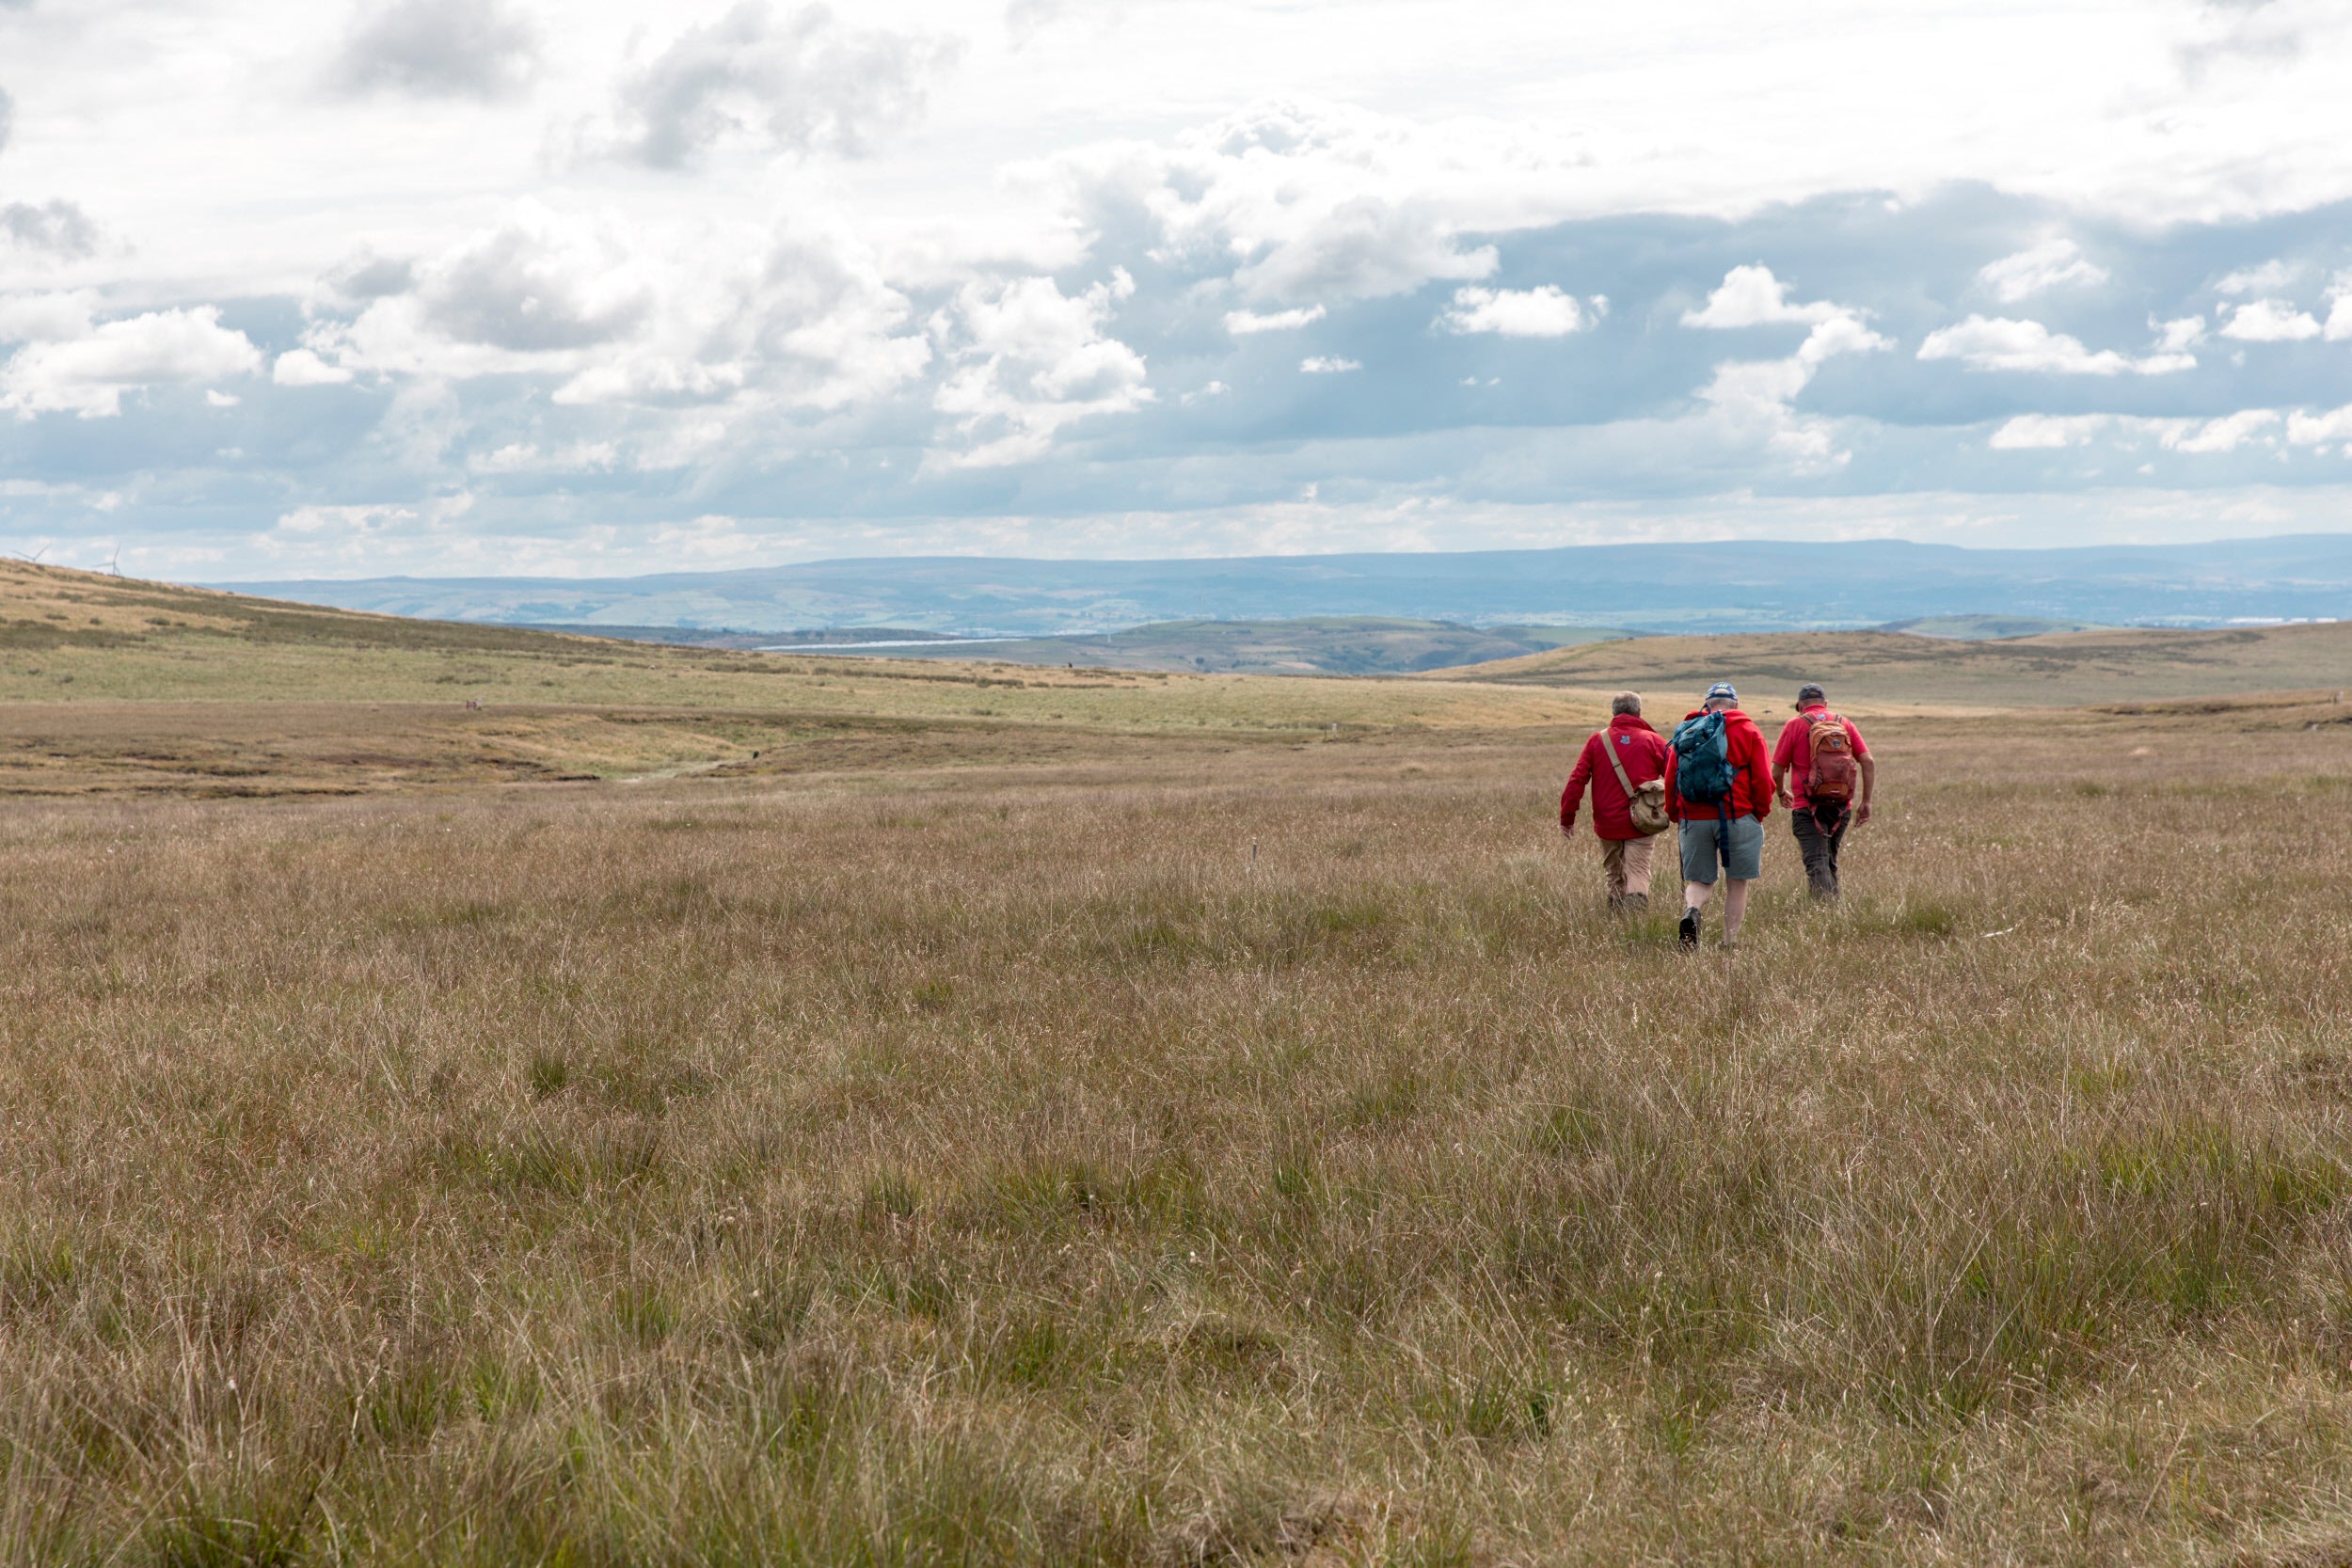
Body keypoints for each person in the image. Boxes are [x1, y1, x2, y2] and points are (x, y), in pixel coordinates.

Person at [1663, 681, 1773, 951]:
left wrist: (1675, 813)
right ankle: (1730, 943)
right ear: (1736, 705)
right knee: (1737, 882)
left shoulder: (1689, 730)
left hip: (1694, 817)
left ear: (1707, 704)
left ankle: (1692, 910)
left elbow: (1670, 778)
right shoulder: (1749, 730)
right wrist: (1759, 812)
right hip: (1739, 815)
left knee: (1700, 880)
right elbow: (1763, 779)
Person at [1559, 691, 1670, 911]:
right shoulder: (1653, 740)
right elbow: (1675, 777)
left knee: (1614, 873)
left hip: (1607, 822)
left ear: (1614, 712)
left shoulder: (1596, 740)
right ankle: (1634, 924)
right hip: (1644, 820)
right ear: (1638, 712)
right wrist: (1679, 811)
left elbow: (1577, 780)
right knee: (1638, 870)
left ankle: (1616, 918)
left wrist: (1567, 817)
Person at [1772, 681, 1875, 900]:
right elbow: (1868, 760)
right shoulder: (1843, 722)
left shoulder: (1794, 725)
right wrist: (1866, 801)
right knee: (1829, 860)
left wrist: (1781, 793)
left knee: (1816, 861)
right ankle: (1834, 909)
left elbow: (1777, 771)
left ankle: (1827, 913)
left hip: (1806, 806)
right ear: (1825, 704)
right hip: (1841, 806)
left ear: (1800, 705)